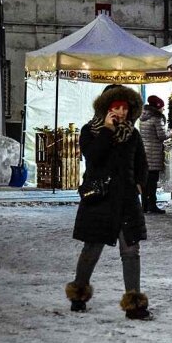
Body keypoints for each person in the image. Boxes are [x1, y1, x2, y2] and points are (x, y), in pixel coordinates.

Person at [66, 85, 152, 320]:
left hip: (126, 201)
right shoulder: (90, 131)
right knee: (92, 249)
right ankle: (78, 293)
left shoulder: (132, 134)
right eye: (116, 107)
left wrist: (139, 184)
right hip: (99, 200)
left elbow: (142, 164)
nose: (121, 112)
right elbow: (93, 157)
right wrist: (106, 130)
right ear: (106, 108)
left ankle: (134, 304)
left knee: (131, 251)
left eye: (125, 108)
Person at [139, 95, 167, 214]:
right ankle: (152, 205)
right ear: (158, 107)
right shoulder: (157, 118)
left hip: (144, 152)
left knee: (145, 181)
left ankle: (144, 205)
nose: (163, 110)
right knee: (152, 182)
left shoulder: (143, 117)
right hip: (154, 153)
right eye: (162, 107)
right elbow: (162, 136)